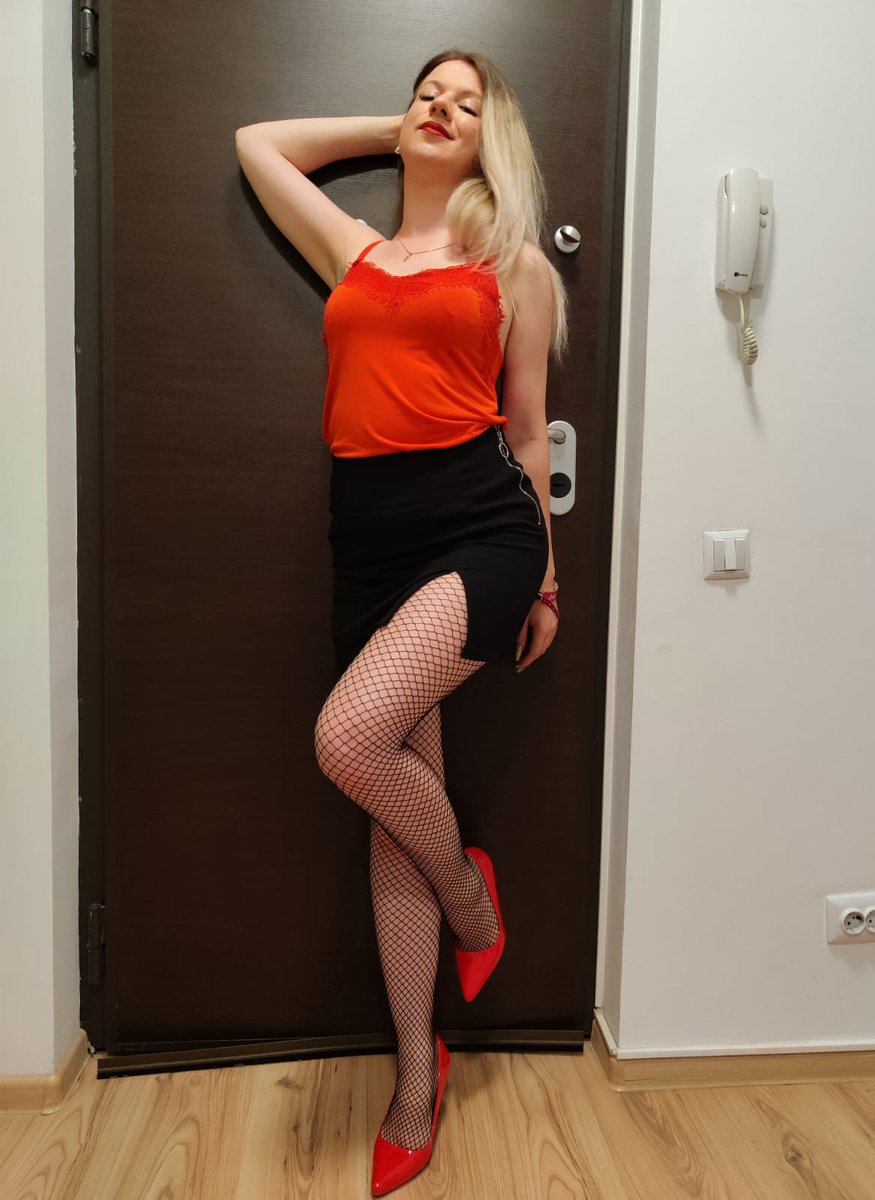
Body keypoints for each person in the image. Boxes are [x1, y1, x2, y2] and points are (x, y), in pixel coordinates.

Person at [235, 47, 568, 1196]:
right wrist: (398, 125)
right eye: (431, 92)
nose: (441, 107)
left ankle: (474, 902)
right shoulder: (354, 249)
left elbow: (528, 433)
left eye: (467, 105)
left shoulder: (515, 265)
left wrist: (547, 579)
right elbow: (257, 145)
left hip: (480, 527)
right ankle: (417, 1084)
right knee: (391, 804)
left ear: (490, 142)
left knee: (347, 740)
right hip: (368, 541)